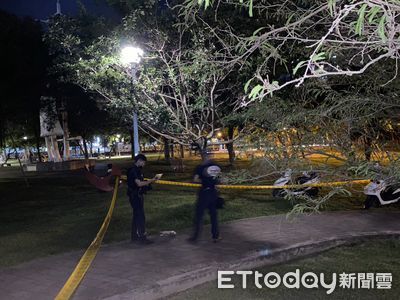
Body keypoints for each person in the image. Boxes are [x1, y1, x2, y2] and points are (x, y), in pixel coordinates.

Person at [188, 154, 222, 243]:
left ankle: (195, 237)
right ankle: (215, 236)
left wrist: (204, 181)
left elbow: (195, 180)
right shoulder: (216, 167)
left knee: (199, 216)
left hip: (204, 193)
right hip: (213, 193)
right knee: (213, 216)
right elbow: (220, 180)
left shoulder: (199, 167)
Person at [127, 154, 159, 244]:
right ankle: (142, 238)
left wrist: (148, 183)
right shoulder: (133, 171)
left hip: (137, 195)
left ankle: (134, 237)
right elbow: (139, 184)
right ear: (139, 161)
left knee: (136, 216)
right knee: (141, 217)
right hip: (135, 196)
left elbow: (141, 183)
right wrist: (151, 180)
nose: (144, 164)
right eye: (144, 162)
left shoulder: (137, 170)